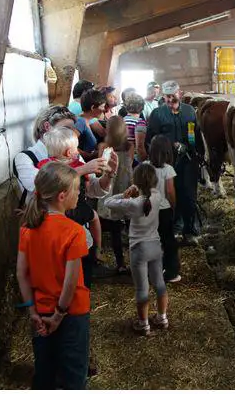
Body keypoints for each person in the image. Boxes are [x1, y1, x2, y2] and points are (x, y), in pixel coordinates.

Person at [16, 162, 92, 388]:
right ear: (62, 196)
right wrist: (59, 315)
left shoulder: (27, 229)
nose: (79, 193)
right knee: (73, 372)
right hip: (72, 312)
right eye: (77, 189)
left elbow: (21, 273)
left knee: (45, 369)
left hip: (40, 310)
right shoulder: (74, 231)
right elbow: (70, 282)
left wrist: (32, 311)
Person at [103, 162, 169, 334]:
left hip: (139, 249)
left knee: (142, 288)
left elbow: (108, 202)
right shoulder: (157, 196)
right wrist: (137, 189)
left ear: (136, 181)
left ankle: (143, 323)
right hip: (155, 246)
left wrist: (125, 194)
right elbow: (149, 192)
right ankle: (162, 318)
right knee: (159, 283)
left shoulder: (133, 203)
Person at [36, 127, 105, 265]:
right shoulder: (79, 165)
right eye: (77, 148)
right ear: (69, 152)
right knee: (95, 217)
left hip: (50, 208)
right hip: (74, 206)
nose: (77, 151)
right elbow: (87, 185)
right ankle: (98, 248)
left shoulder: (44, 165)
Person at [145, 81, 201, 243]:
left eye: (172, 96)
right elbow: (150, 140)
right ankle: (173, 229)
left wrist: (196, 153)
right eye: (166, 96)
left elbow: (196, 134)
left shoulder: (190, 111)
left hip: (188, 161)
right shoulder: (157, 114)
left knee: (189, 195)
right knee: (170, 194)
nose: (169, 99)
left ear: (180, 93)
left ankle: (189, 230)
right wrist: (169, 146)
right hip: (167, 163)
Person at [97, 115, 133, 275]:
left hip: (111, 189)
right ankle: (135, 261)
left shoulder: (104, 147)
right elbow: (129, 164)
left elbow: (100, 168)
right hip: (126, 187)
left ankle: (120, 264)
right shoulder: (129, 146)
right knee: (132, 228)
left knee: (115, 231)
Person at [148, 135, 180, 283]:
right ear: (168, 152)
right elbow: (170, 191)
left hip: (148, 210)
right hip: (164, 210)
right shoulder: (168, 170)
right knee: (168, 241)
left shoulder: (145, 166)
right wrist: (174, 205)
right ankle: (171, 272)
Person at [122, 91, 148, 161]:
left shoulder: (121, 120)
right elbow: (139, 147)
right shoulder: (140, 122)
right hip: (134, 159)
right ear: (141, 107)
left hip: (120, 157)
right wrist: (145, 160)